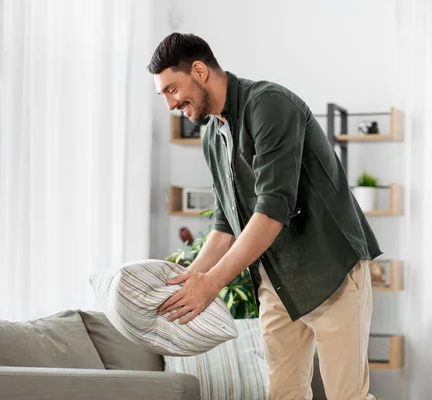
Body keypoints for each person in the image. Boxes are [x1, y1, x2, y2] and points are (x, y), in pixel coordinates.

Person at [148, 32, 381, 400]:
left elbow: (273, 210)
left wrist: (210, 285)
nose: (171, 104)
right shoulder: (213, 136)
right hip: (277, 281)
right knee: (283, 394)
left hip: (330, 268)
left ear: (199, 71)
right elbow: (226, 223)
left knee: (346, 395)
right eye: (164, 94)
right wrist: (191, 279)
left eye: (172, 89)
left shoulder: (268, 104)